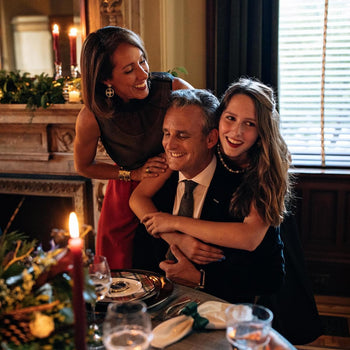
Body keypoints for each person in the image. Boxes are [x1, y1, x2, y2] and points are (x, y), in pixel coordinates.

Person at [130, 86, 286, 303]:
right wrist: (178, 239)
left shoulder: (250, 181)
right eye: (167, 133)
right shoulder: (165, 166)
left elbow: (266, 273)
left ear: (210, 139)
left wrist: (201, 278)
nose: (170, 144)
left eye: (182, 135)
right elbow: (137, 200)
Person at [74, 26, 193, 269]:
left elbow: (209, 132)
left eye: (142, 61)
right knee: (126, 279)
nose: (143, 74)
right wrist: (134, 174)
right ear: (105, 79)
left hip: (180, 186)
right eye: (129, 70)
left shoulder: (175, 89)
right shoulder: (91, 117)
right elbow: (84, 166)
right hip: (128, 196)